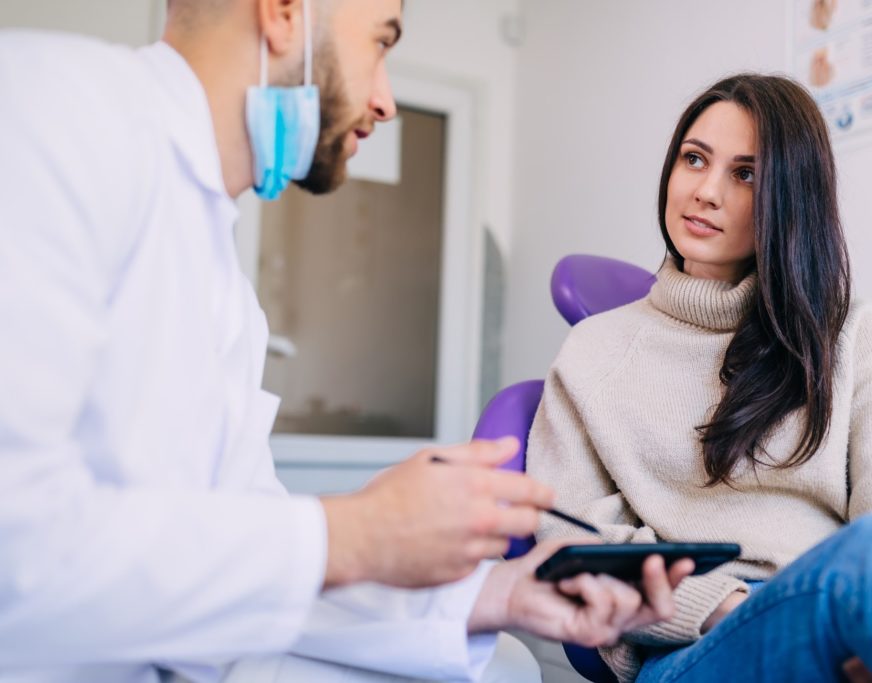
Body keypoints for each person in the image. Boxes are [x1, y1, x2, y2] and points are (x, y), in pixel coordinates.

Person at [0, 1, 694, 681]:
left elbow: (250, 554)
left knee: (506, 664)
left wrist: (500, 594)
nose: (386, 100)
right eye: (381, 42)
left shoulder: (225, 289)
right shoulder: (52, 109)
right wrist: (355, 531)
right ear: (281, 13)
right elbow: (18, 549)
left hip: (173, 648)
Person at [527, 73, 872, 682]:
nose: (705, 191)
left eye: (746, 174)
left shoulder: (850, 333)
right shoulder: (591, 353)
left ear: (790, 198)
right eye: (693, 159)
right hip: (693, 648)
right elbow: (571, 546)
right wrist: (726, 607)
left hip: (847, 618)